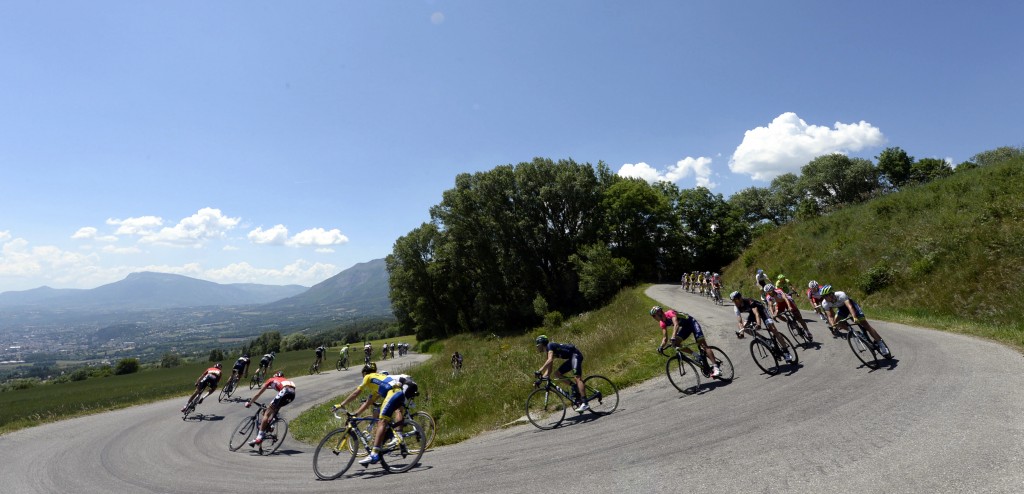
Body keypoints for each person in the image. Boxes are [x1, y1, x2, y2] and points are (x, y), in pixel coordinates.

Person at [334, 363, 408, 466]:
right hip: (398, 392)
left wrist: (341, 405)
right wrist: (356, 414)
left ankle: (374, 454)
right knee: (385, 421)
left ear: (364, 373)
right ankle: (398, 440)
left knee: (381, 421)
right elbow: (367, 403)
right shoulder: (378, 383)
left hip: (393, 393)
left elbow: (356, 392)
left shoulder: (368, 377)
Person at [650, 306, 721, 378]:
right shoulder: (662, 323)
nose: (654, 318)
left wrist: (673, 336)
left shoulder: (670, 313)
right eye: (653, 316)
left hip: (692, 322)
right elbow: (665, 338)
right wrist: (661, 346)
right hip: (686, 327)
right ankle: (696, 355)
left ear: (659, 313)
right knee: (676, 344)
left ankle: (716, 368)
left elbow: (676, 324)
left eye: (654, 316)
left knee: (702, 344)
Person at [820, 285, 891, 356]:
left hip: (852, 306)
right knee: (836, 323)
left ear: (831, 294)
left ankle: (881, 344)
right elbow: (830, 316)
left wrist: (854, 317)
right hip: (842, 309)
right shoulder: (825, 303)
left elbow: (850, 306)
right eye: (823, 296)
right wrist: (833, 325)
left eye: (825, 296)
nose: (824, 298)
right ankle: (854, 333)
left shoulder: (841, 294)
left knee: (865, 325)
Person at [729, 291, 795, 363]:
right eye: (733, 301)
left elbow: (757, 314)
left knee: (773, 330)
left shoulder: (749, 301)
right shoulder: (736, 307)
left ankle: (786, 352)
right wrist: (741, 333)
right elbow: (739, 321)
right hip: (752, 314)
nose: (735, 302)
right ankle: (765, 339)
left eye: (736, 300)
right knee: (744, 327)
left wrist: (758, 324)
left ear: (740, 298)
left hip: (762, 311)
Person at [533, 335, 589, 412]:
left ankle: (585, 403)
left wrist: (540, 370)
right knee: (557, 374)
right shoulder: (549, 351)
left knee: (577, 377)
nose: (537, 347)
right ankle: (574, 386)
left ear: (542, 344)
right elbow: (549, 371)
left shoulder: (550, 346)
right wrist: (541, 379)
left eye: (538, 345)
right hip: (571, 358)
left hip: (576, 355)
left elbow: (549, 360)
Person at [246, 370, 296, 446]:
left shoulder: (271, 379)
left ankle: (259, 437)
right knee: (274, 409)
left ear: (275, 375)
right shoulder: (285, 380)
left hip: (284, 391)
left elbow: (258, 394)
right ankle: (270, 424)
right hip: (292, 394)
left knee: (266, 413)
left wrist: (250, 403)